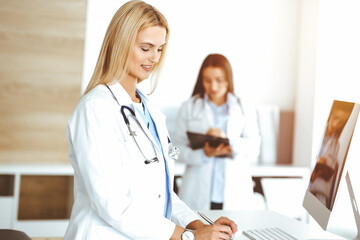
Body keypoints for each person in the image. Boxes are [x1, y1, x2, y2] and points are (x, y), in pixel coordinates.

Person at [64, 1, 237, 239]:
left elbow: (162, 194)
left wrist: (200, 226)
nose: (154, 58)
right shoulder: (96, 108)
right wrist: (187, 237)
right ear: (120, 44)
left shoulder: (151, 110)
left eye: (159, 48)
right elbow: (112, 204)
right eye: (145, 48)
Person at [174, 54, 261, 211]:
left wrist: (228, 141)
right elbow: (174, 150)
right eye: (207, 80)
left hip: (234, 195)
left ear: (228, 79)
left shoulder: (244, 108)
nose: (213, 87)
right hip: (197, 193)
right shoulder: (189, 107)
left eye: (219, 80)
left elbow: (254, 149)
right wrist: (203, 154)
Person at [309, 101, 354, 209]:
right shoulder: (320, 132)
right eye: (335, 117)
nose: (335, 124)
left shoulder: (335, 143)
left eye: (341, 122)